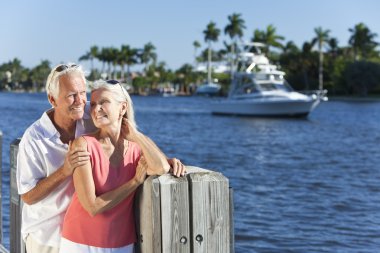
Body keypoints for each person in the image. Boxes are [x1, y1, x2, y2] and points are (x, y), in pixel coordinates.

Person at [16, 63, 185, 253]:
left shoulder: (90, 112)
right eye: (72, 95)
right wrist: (64, 170)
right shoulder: (34, 138)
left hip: (92, 231)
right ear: (52, 100)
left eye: (83, 93)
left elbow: (123, 127)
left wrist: (163, 160)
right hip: (46, 235)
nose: (81, 101)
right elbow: (28, 196)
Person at [59, 80, 170, 252]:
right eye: (94, 104)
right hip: (80, 242)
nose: (96, 109)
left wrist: (136, 135)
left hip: (122, 244)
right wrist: (134, 182)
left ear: (123, 108)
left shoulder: (136, 149)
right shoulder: (83, 145)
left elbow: (161, 167)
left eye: (104, 102)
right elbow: (92, 206)